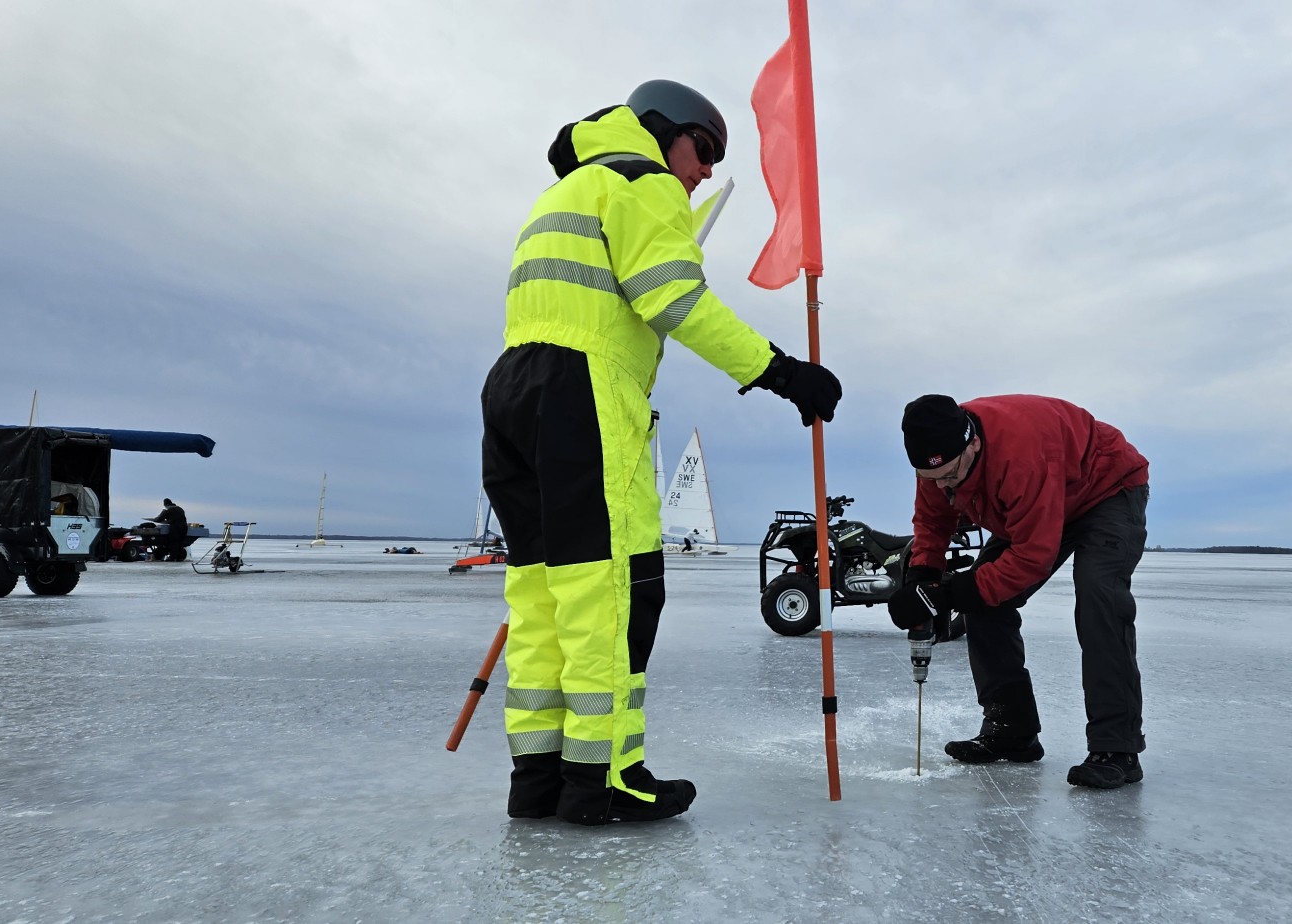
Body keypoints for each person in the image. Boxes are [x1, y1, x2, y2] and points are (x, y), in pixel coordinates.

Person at [481, 79, 842, 825]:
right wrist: (781, 373)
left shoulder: (567, 191)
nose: (705, 170)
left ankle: (539, 780)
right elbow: (674, 300)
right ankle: (605, 780)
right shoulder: (643, 182)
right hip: (583, 393)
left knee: (543, 595)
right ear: (657, 130)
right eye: (702, 149)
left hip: (512, 390)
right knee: (612, 593)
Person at [888, 394, 1151, 789]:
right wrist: (923, 578)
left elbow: (1032, 557)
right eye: (930, 478)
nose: (941, 485)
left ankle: (1117, 747)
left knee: (1099, 599)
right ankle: (1012, 730)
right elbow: (933, 522)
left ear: (973, 443)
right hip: (1037, 504)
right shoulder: (937, 454)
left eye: (949, 476)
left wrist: (953, 593)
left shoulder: (1021, 455)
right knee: (984, 600)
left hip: (1105, 489)